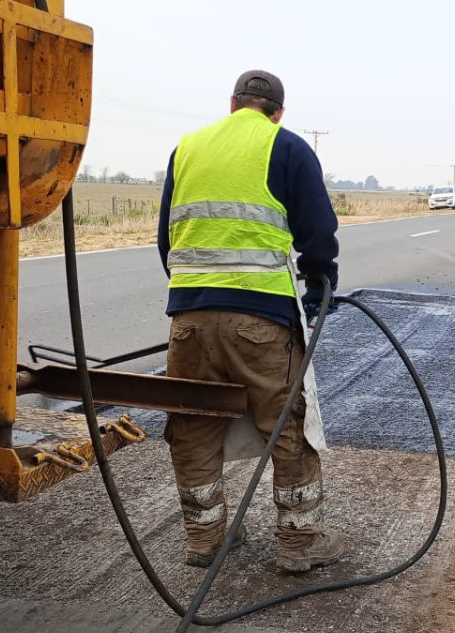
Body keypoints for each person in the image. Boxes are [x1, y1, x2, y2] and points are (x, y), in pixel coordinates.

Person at [155, 70, 343, 573]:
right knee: (285, 425)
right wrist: (320, 279)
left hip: (189, 317)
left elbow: (165, 239)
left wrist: (195, 291)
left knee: (193, 423)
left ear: (233, 103)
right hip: (260, 318)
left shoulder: (187, 148)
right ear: (276, 111)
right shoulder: (287, 147)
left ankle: (204, 539)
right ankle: (299, 545)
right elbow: (317, 231)